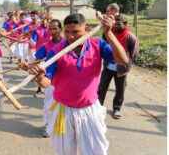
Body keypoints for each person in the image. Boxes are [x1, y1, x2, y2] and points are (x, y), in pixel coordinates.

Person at [30, 13, 128, 155]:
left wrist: (108, 33)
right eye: (67, 32)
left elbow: (122, 60)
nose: (70, 36)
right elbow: (46, 82)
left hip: (90, 110)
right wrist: (39, 77)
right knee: (65, 152)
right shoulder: (56, 51)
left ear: (86, 30)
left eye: (76, 32)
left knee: (96, 151)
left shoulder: (97, 44)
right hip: (64, 111)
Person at [98, 14, 139, 119]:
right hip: (108, 67)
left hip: (121, 69)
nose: (116, 26)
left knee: (120, 90)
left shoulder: (131, 38)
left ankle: (116, 108)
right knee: (102, 88)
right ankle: (97, 107)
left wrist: (123, 58)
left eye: (119, 24)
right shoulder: (108, 34)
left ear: (125, 24)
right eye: (115, 24)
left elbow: (134, 54)